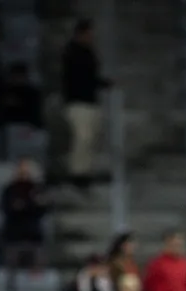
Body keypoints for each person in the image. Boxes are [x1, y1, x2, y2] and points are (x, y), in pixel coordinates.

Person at [62, 19, 110, 190]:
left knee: (90, 139)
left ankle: (87, 171)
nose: (91, 37)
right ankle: (77, 173)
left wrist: (103, 83)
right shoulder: (72, 52)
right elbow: (80, 77)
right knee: (82, 139)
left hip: (90, 101)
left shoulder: (89, 52)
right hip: (77, 102)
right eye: (88, 34)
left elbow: (91, 76)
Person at [1, 158, 48, 266]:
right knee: (11, 273)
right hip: (13, 237)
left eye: (27, 168)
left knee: (35, 275)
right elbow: (8, 208)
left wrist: (25, 205)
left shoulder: (38, 189)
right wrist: (30, 205)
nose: (24, 171)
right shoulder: (9, 190)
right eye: (21, 168)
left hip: (34, 237)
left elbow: (42, 209)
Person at [1, 61, 43, 127]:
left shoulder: (33, 93)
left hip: (31, 128)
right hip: (8, 127)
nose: (18, 78)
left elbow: (36, 114)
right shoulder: (5, 92)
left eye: (20, 75)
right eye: (15, 75)